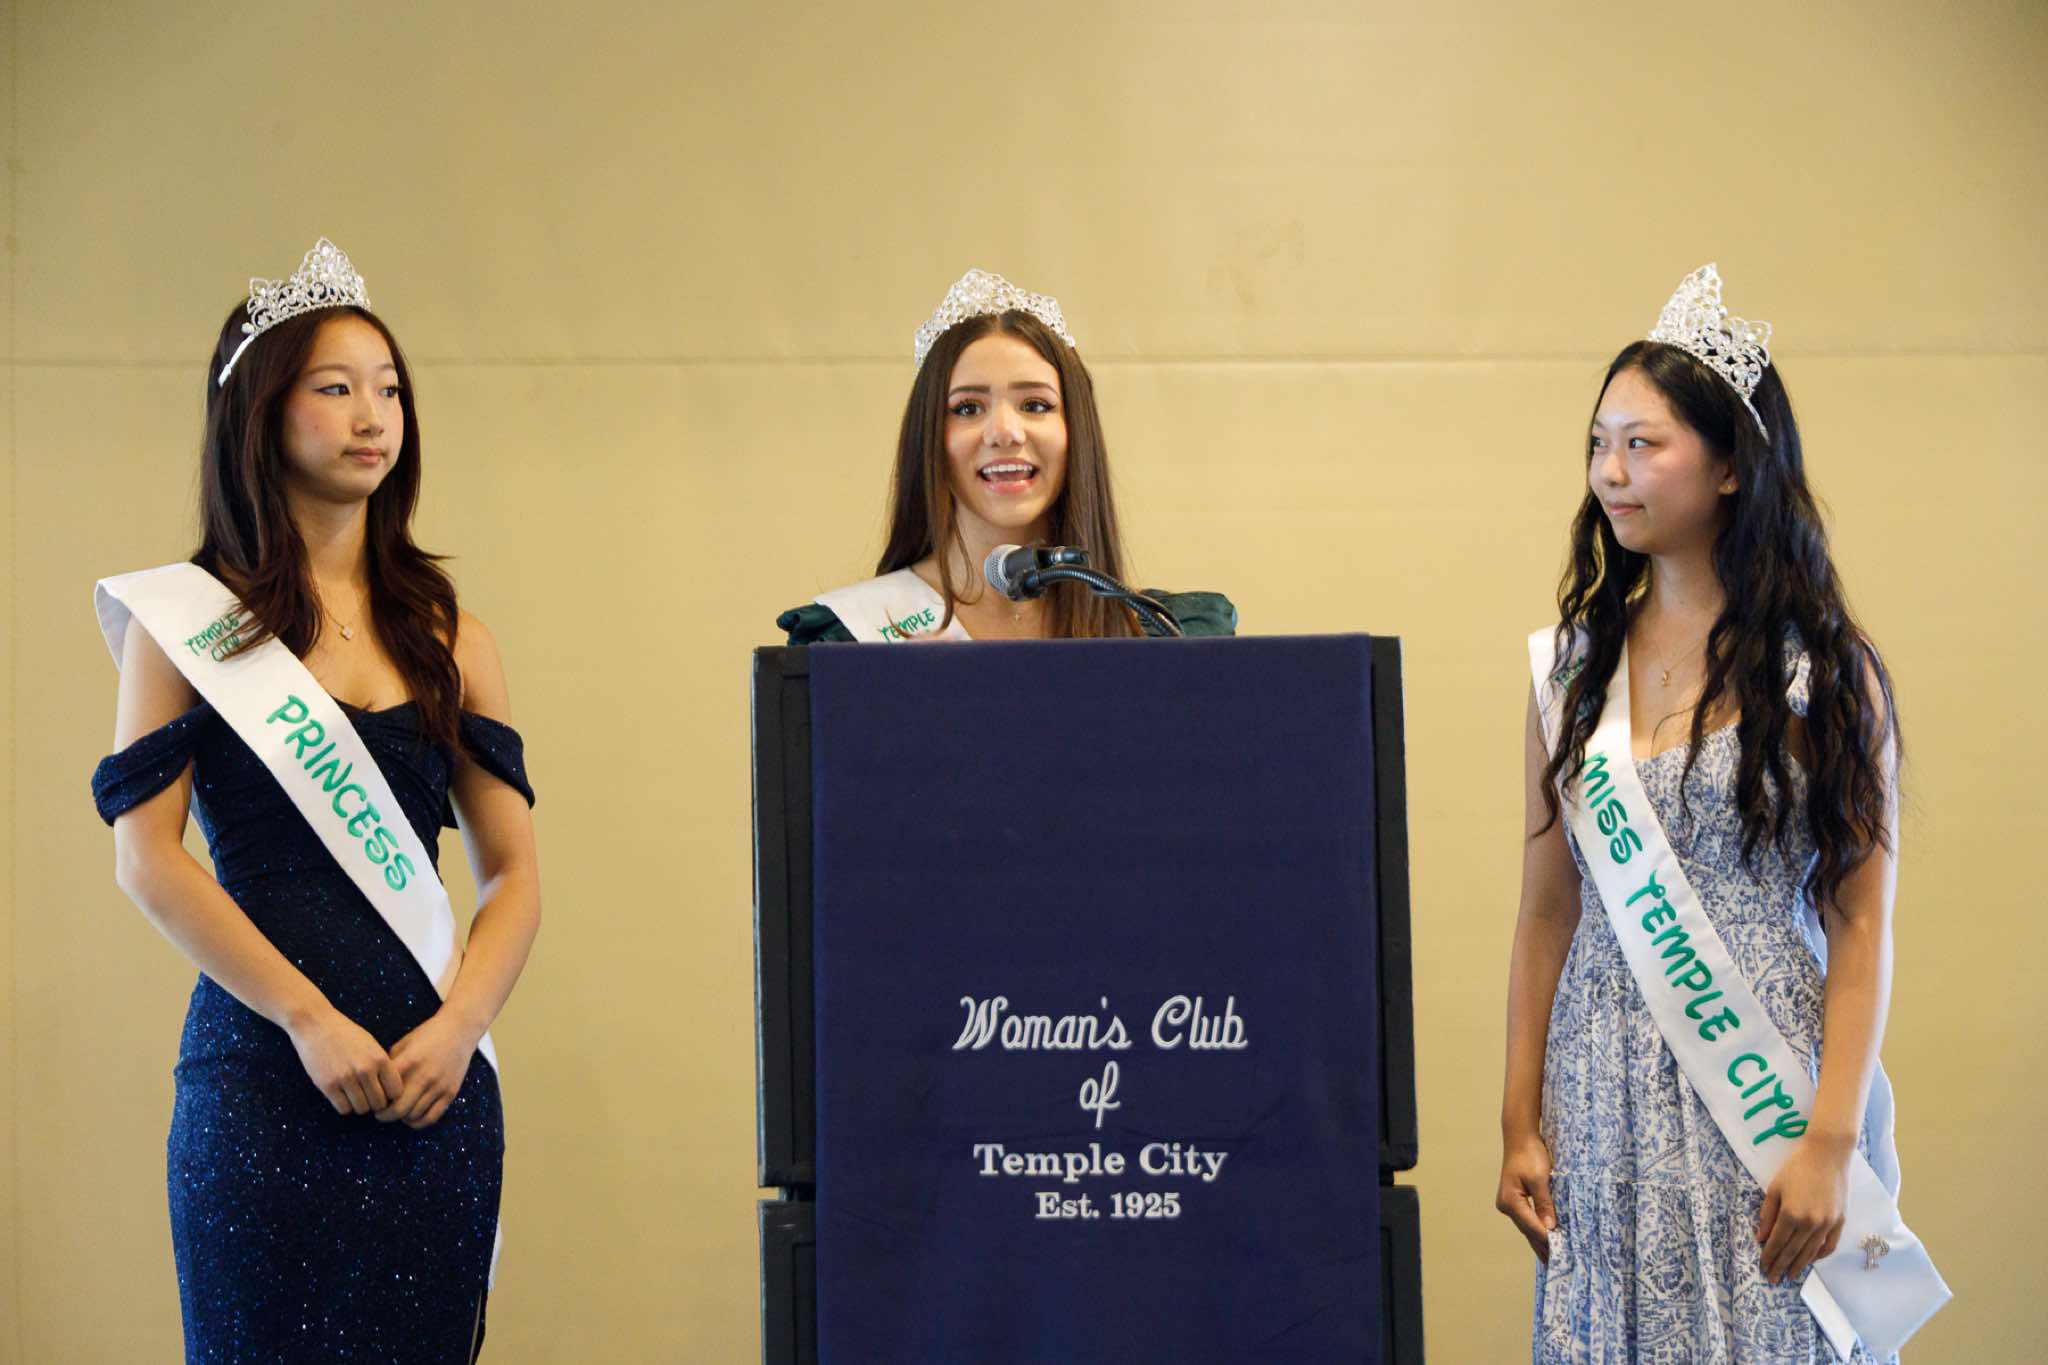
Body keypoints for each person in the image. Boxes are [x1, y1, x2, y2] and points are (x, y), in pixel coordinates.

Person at [90, 239, 541, 1363]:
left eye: (388, 389)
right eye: (336, 388)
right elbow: (148, 856)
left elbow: (514, 875)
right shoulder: (184, 623)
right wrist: (306, 1018)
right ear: (259, 412)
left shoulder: (452, 635)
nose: (371, 415)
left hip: (432, 1089)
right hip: (263, 1077)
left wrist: (460, 1028)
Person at [1497, 265, 1944, 1361]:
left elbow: (1859, 921)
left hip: (1769, 1093)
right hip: (1600, 1094)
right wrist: (1518, 1120)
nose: (1610, 471)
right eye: (1599, 443)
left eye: (1643, 444)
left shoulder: (1822, 673)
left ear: (1733, 464)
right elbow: (1546, 909)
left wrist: (1830, 1140)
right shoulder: (1570, 673)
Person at [778, 268, 1234, 642]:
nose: (1004, 432)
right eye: (967, 408)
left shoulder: (1163, 634)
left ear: (1076, 431)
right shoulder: (856, 637)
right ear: (929, 438)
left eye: (1035, 405)